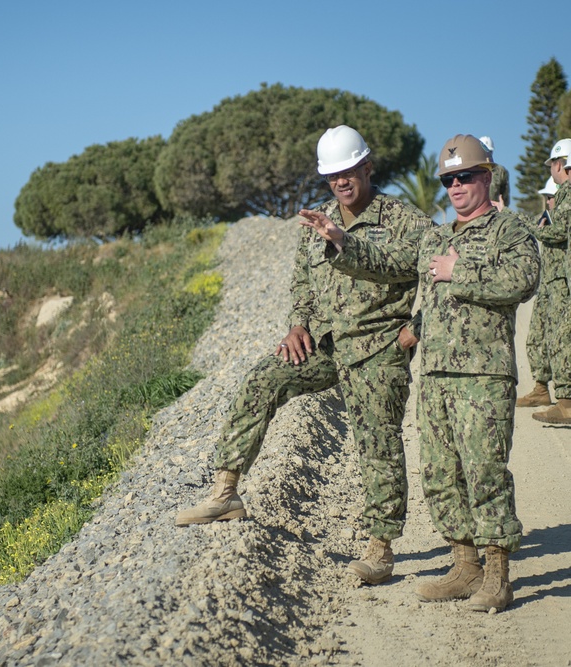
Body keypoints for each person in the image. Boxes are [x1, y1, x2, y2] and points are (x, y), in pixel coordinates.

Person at [176, 125, 432, 588]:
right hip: (328, 345)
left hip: (377, 348)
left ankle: (381, 548)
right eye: (332, 174)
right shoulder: (320, 220)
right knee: (263, 379)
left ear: (367, 167)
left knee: (378, 444)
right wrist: (298, 324)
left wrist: (416, 329)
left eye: (348, 171)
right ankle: (226, 491)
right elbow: (303, 283)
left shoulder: (403, 219)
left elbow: (436, 272)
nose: (341, 182)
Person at [299, 134, 541, 612]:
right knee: (441, 474)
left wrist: (460, 272)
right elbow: (389, 263)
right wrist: (341, 240)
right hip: (433, 376)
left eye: (465, 176)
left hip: (482, 376)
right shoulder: (436, 236)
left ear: (487, 177)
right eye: (448, 180)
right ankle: (465, 564)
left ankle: (497, 575)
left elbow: (523, 280)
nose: (456, 186)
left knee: (484, 472)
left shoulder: (508, 231)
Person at [531, 138, 571, 424]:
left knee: (561, 339)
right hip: (559, 278)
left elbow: (560, 232)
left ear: (560, 165)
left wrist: (534, 229)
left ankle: (567, 403)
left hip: (563, 281)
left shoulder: (568, 192)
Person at [516, 175, 564, 408]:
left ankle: (565, 397)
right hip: (547, 286)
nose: (548, 202)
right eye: (546, 198)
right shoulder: (549, 219)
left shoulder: (562, 220)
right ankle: (540, 388)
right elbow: (536, 227)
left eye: (551, 197)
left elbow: (545, 232)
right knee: (536, 336)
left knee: (560, 341)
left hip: (561, 286)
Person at [478, 136, 510, 210]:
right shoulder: (470, 170)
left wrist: (503, 209)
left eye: (489, 152)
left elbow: (505, 197)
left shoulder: (501, 171)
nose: (487, 154)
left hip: (495, 213)